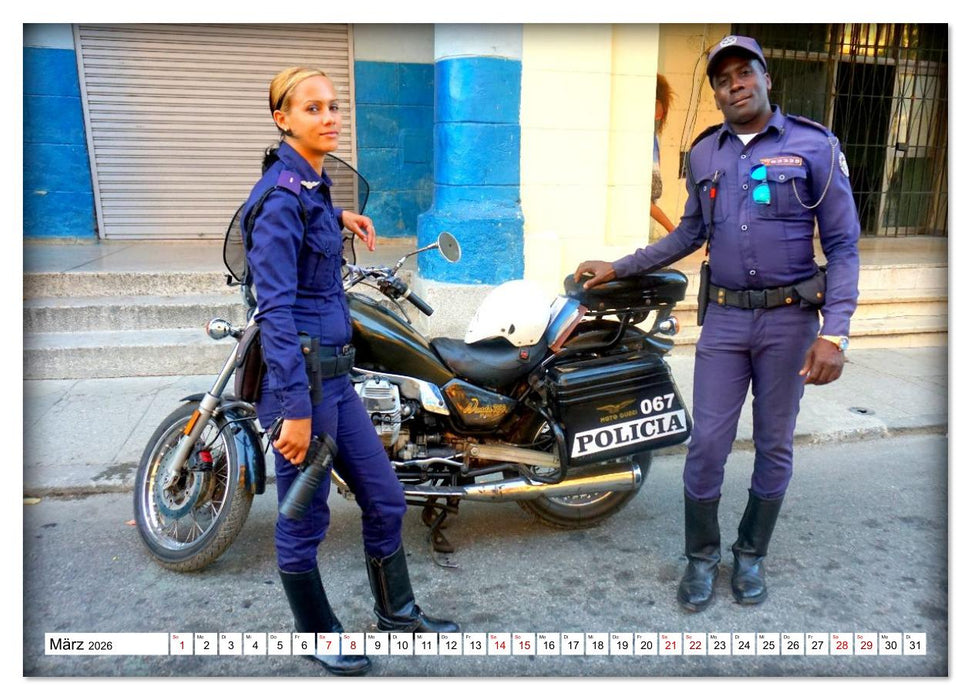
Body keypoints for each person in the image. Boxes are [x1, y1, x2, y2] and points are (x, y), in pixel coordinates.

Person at [574, 36, 860, 612]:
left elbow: (843, 245)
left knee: (775, 443)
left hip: (790, 322)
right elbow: (688, 234)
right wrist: (619, 265)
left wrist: (835, 331)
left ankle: (750, 554)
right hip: (726, 321)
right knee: (707, 444)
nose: (735, 83)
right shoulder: (706, 154)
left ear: (765, 76)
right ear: (716, 91)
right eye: (723, 78)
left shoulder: (815, 146)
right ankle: (701, 558)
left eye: (744, 71)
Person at [242, 66, 459, 675]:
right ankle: (316, 632)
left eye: (332, 106)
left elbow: (310, 229)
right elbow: (275, 309)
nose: (329, 117)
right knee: (302, 518)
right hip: (305, 387)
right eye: (311, 109)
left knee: (386, 499)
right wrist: (294, 409)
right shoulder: (281, 196)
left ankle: (398, 613)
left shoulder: (312, 186)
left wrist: (342, 222)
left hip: (337, 380)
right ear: (283, 119)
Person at [651, 74, 677, 236]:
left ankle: (674, 231)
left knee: (646, 203)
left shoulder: (656, 104)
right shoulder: (659, 104)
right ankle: (674, 231)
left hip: (650, 159)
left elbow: (657, 114)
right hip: (652, 156)